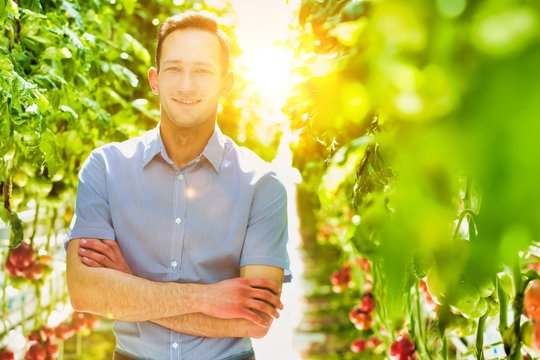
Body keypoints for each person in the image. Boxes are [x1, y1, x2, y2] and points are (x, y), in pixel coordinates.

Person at [65, 11, 290, 360]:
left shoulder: (262, 184)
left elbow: (254, 321)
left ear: (226, 83)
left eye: (202, 71)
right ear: (154, 79)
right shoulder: (105, 168)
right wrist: (205, 299)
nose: (186, 85)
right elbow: (84, 291)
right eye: (173, 69)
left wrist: (131, 286)